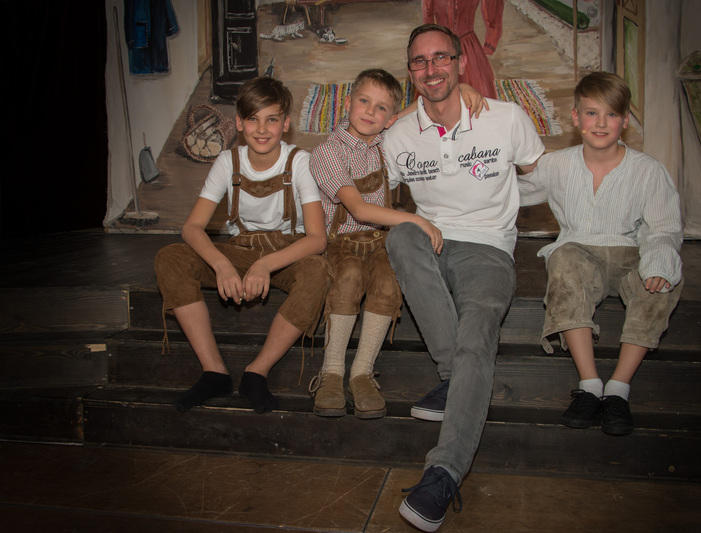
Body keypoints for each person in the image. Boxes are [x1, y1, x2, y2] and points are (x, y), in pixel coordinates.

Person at [382, 24, 544, 532]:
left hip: (489, 248)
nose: (431, 69)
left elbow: (544, 175)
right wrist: (396, 116)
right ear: (411, 71)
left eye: (441, 58)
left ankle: (444, 472)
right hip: (428, 239)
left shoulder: (506, 118)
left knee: (477, 336)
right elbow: (360, 171)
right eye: (419, 61)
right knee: (400, 235)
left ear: (460, 62)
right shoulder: (398, 135)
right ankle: (456, 377)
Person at [518, 71, 683, 437]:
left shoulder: (648, 171)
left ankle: (618, 389)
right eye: (592, 113)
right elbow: (511, 192)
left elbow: (664, 228)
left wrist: (657, 264)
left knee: (661, 277)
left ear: (624, 121)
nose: (601, 123)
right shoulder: (557, 164)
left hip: (629, 252)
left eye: (611, 114)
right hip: (579, 250)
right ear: (576, 117)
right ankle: (590, 385)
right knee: (564, 262)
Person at [154, 77, 331, 414]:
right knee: (170, 257)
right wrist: (221, 264)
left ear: (286, 124)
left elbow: (317, 239)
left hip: (285, 253)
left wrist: (265, 265)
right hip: (239, 249)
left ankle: (257, 371)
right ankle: (214, 371)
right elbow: (191, 227)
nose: (262, 129)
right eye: (253, 119)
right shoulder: (228, 161)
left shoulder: (299, 162)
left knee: (318, 270)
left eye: (272, 119)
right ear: (238, 123)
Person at [308, 68, 443, 419]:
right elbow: (357, 209)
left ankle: (362, 372)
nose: (370, 112)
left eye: (381, 108)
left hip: (378, 240)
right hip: (341, 241)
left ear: (389, 118)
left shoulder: (383, 142)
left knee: (388, 278)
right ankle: (332, 372)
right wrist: (417, 219)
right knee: (350, 275)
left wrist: (465, 89)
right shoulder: (327, 152)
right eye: (364, 101)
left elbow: (414, 109)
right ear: (348, 103)